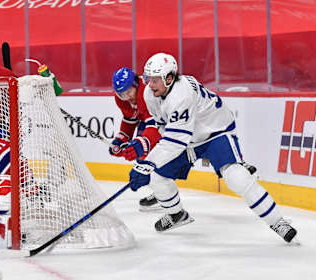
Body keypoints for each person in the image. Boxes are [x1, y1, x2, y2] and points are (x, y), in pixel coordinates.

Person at [128, 52, 298, 243]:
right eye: (148, 78)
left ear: (169, 78)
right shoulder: (150, 94)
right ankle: (176, 215)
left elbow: (176, 139)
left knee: (236, 177)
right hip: (187, 138)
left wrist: (147, 163)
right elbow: (163, 127)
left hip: (215, 132)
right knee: (156, 176)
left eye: (155, 79)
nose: (150, 84)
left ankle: (278, 221)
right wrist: (148, 163)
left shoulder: (180, 94)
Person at [110, 67, 162, 212]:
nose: (127, 97)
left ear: (136, 84)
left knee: (152, 155)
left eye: (129, 92)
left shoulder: (147, 93)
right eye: (122, 94)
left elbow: (157, 126)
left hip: (166, 122)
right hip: (151, 122)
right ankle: (161, 192)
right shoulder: (122, 99)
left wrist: (141, 144)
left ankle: (163, 194)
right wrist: (121, 139)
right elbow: (130, 119)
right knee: (144, 157)